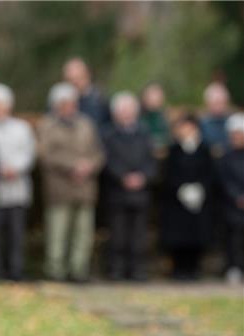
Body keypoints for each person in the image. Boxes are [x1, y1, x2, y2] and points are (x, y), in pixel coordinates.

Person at [38, 83, 105, 282]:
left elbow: (99, 152)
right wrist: (72, 166)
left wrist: (89, 165)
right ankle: (55, 270)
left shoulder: (86, 124)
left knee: (83, 232)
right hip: (60, 187)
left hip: (85, 187)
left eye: (73, 103)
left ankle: (79, 270)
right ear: (56, 105)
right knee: (58, 231)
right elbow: (45, 155)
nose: (70, 107)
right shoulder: (47, 125)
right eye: (65, 103)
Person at [0, 83, 36, 281]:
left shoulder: (21, 128)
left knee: (16, 235)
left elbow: (29, 153)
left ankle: (16, 271)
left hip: (17, 189)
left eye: (0, 105)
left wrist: (16, 168)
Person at [102, 92, 156, 281]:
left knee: (139, 236)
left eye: (129, 110)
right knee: (118, 235)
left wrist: (143, 177)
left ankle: (137, 270)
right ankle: (116, 270)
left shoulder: (144, 132)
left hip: (141, 193)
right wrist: (123, 177)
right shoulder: (108, 134)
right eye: (122, 110)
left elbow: (151, 160)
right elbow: (107, 161)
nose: (126, 114)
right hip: (117, 192)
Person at [160, 115, 216, 280]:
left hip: (200, 200)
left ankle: (194, 268)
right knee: (178, 236)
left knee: (197, 235)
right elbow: (168, 174)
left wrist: (199, 189)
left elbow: (210, 174)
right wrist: (181, 189)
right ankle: (178, 268)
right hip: (177, 199)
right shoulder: (173, 150)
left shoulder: (204, 150)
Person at [216, 113, 244, 285]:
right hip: (232, 204)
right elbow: (223, 180)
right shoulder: (225, 156)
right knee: (233, 238)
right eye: (234, 134)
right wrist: (237, 196)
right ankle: (233, 267)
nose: (236, 138)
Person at [62, 57, 110, 129]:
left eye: (78, 78)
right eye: (71, 80)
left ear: (88, 75)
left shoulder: (101, 100)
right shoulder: (59, 104)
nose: (75, 83)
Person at [199, 82, 232, 158]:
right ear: (207, 103)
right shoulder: (201, 123)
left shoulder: (233, 122)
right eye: (215, 103)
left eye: (221, 102)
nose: (218, 106)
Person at [139, 82, 170, 156]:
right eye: (152, 96)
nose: (155, 99)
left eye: (158, 96)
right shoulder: (137, 116)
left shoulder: (164, 117)